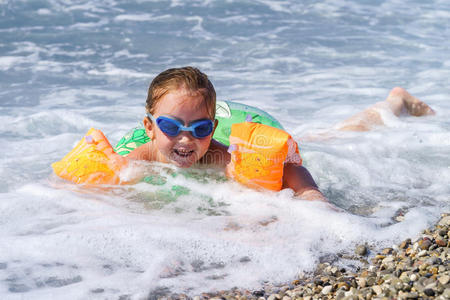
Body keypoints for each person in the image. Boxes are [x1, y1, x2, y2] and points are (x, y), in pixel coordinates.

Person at [128, 67, 435, 202]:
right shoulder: (142, 157)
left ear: (212, 129)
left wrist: (311, 195)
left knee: (329, 139)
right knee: (322, 135)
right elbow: (104, 183)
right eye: (170, 127)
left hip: (257, 124)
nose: (186, 139)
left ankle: (396, 103)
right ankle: (395, 103)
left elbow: (289, 169)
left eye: (200, 129)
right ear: (149, 128)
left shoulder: (220, 156)